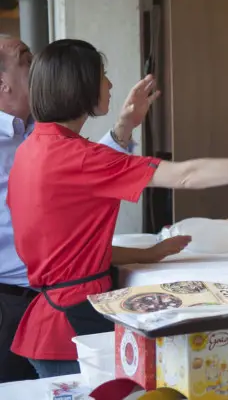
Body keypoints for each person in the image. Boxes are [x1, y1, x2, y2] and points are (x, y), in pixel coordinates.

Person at [8, 39, 228, 378]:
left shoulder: (35, 147)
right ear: (82, 87)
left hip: (49, 322)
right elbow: (186, 175)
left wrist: (150, 254)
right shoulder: (79, 158)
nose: (109, 84)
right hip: (71, 327)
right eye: (103, 76)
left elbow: (67, 249)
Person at [0, 35, 188, 383]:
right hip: (18, 303)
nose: (37, 63)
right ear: (3, 82)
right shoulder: (36, 145)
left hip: (59, 301)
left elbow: (83, 178)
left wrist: (124, 127)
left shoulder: (38, 139)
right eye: (26, 59)